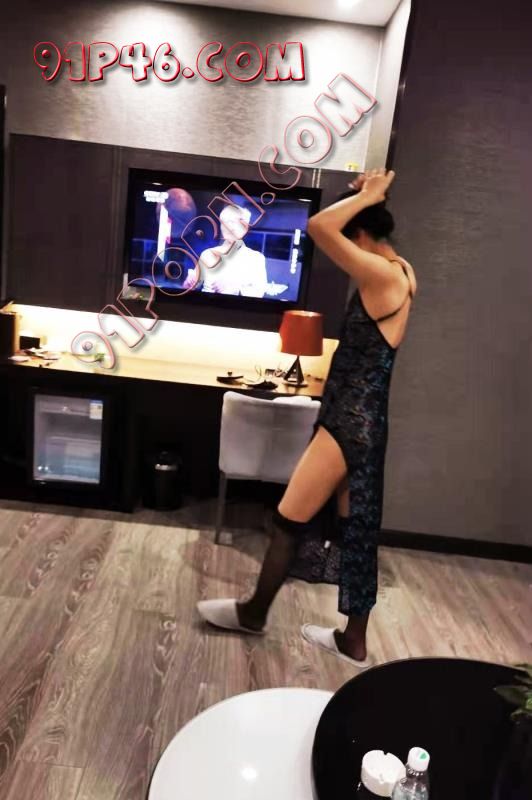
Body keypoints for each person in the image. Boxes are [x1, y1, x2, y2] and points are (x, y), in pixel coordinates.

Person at [197, 168, 417, 667]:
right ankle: (352, 641)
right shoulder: (402, 270)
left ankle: (253, 613)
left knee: (286, 520)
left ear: (358, 233)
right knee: (357, 532)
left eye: (349, 240)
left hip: (346, 425)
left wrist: (369, 194)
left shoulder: (381, 275)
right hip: (368, 423)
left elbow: (319, 226)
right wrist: (365, 197)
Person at [183, 203, 268, 297]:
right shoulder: (207, 254)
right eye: (224, 222)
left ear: (245, 227)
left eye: (233, 222)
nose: (228, 227)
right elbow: (192, 286)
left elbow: (259, 292)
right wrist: (188, 284)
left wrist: (234, 288)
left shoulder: (256, 258)